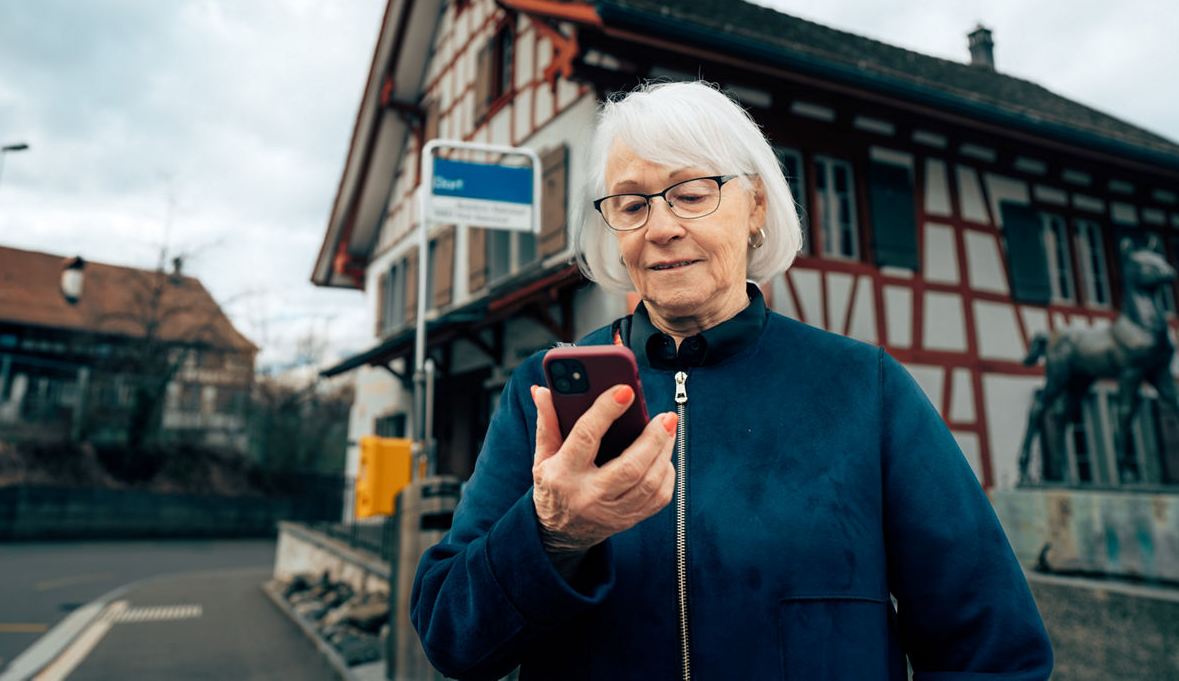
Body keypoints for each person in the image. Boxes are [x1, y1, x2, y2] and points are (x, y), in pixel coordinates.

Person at [411, 81, 1053, 680]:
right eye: (632, 204)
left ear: (756, 207)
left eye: (692, 194)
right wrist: (554, 535)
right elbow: (450, 636)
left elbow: (993, 651)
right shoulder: (542, 395)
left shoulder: (864, 389)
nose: (660, 227)